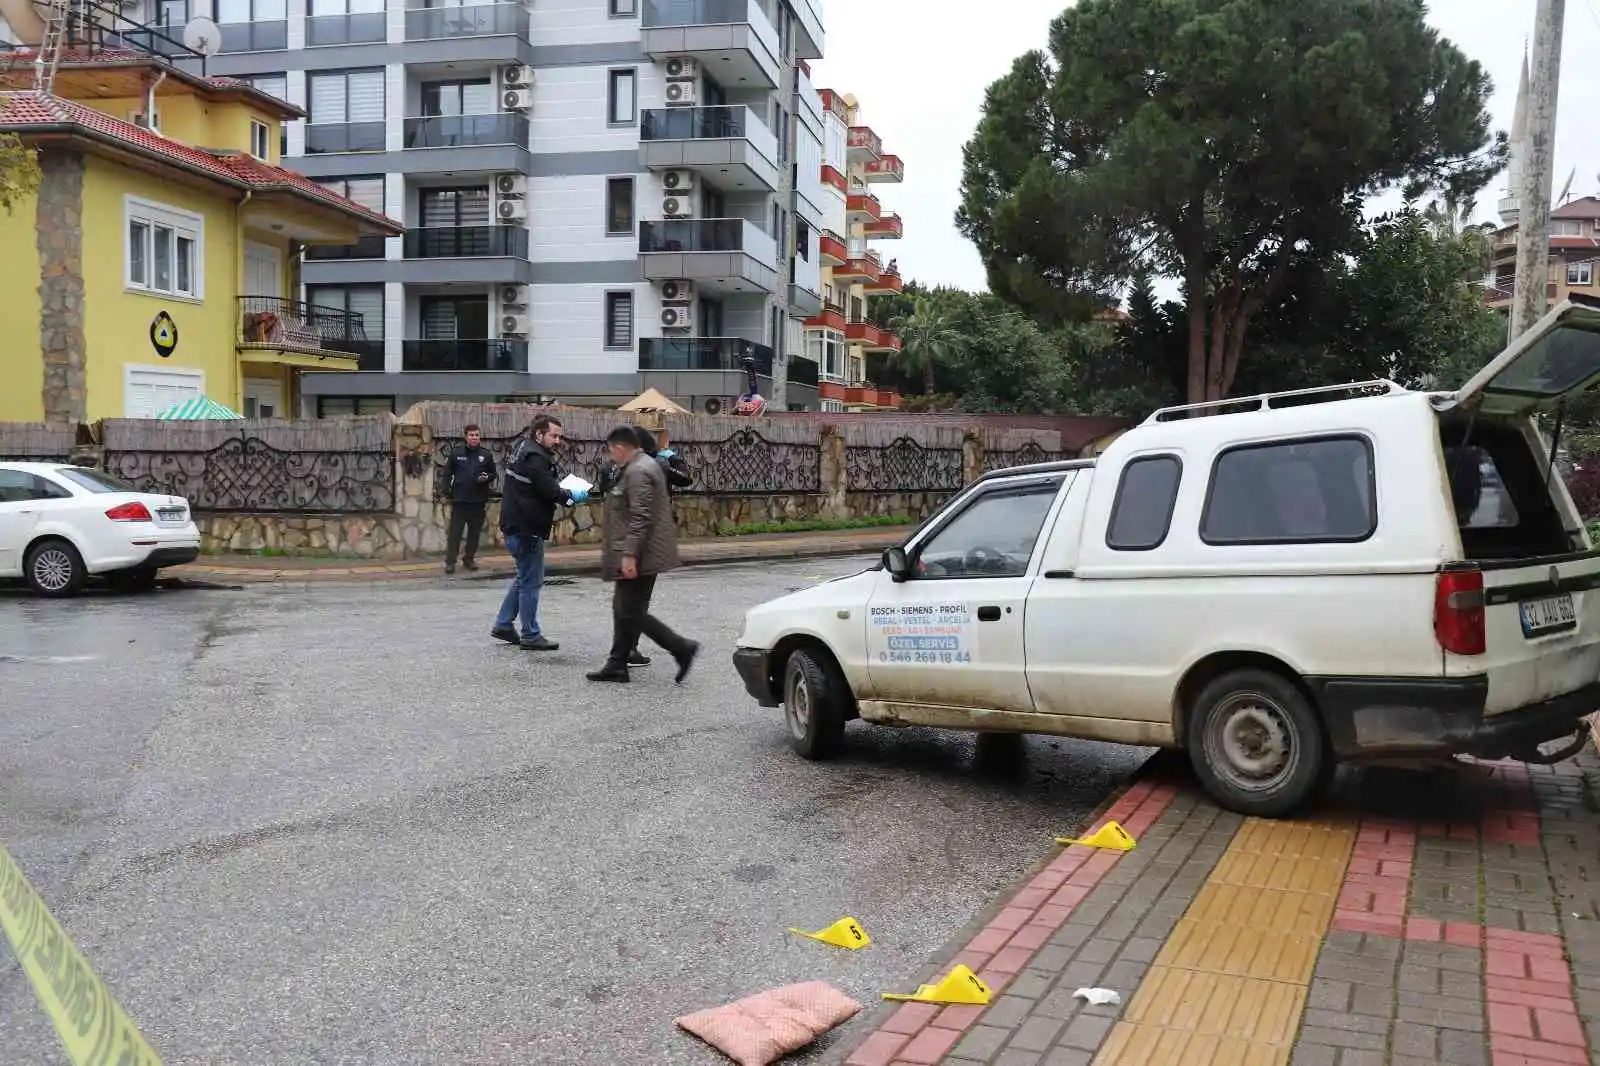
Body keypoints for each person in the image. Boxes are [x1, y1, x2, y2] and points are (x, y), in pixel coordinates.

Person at [587, 425, 699, 684]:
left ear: (619, 447)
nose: (610, 457)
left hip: (640, 554)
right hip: (639, 550)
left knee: (631, 611)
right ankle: (617, 663)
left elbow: (640, 517)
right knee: (623, 608)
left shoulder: (638, 471)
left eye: (610, 451)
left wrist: (628, 555)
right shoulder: (640, 465)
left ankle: (681, 647)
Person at [494, 414, 586, 651]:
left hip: (515, 524)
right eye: (553, 436)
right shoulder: (536, 458)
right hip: (527, 528)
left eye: (559, 436)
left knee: (524, 576)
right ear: (539, 434)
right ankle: (530, 634)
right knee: (531, 583)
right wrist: (571, 497)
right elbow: (549, 490)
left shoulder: (523, 449)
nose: (558, 441)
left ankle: (504, 624)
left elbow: (538, 487)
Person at [441, 423, 496, 574]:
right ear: (466, 437)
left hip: (478, 501)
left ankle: (469, 559)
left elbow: (493, 473)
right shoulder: (456, 453)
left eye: (477, 435)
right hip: (460, 500)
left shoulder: (486, 455)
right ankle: (450, 562)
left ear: (480, 437)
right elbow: (447, 474)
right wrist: (445, 492)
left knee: (474, 533)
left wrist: (487, 477)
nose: (474, 438)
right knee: (455, 533)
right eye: (471, 435)